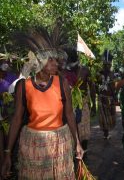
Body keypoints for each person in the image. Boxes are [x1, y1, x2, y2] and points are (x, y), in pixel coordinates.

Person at [1, 26, 84, 179]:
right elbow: (17, 118)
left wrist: (77, 142)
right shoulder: (23, 86)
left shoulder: (62, 83)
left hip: (60, 143)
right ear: (39, 61)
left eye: (55, 60)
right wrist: (7, 152)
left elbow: (69, 115)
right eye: (50, 60)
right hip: (33, 145)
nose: (56, 64)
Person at [63, 47, 96, 152]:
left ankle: (84, 151)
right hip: (68, 105)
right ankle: (73, 150)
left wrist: (94, 105)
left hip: (83, 104)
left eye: (67, 60)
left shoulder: (85, 70)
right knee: (70, 129)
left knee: (84, 131)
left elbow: (92, 87)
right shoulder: (62, 72)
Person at [0, 60, 17, 168]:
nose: (7, 63)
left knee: (8, 137)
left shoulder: (12, 76)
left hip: (10, 113)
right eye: (4, 61)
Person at [97, 50, 117, 139]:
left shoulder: (113, 74)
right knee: (103, 116)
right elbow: (95, 85)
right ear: (103, 64)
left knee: (110, 116)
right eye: (105, 65)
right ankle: (105, 132)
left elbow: (114, 86)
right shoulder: (98, 74)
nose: (107, 66)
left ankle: (107, 131)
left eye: (109, 65)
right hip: (102, 98)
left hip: (110, 98)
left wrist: (115, 96)